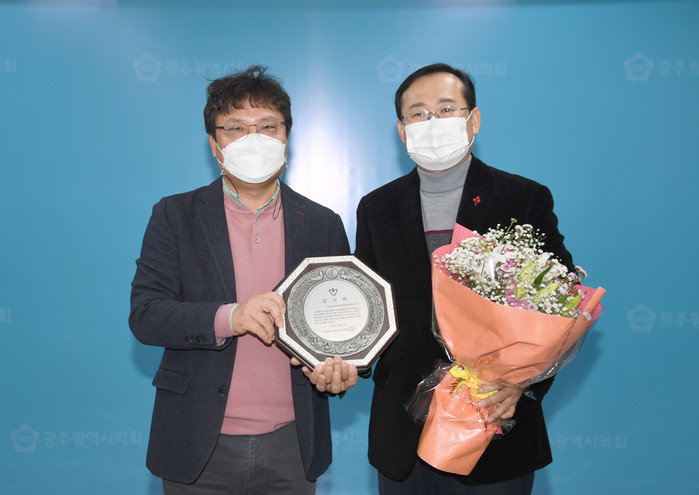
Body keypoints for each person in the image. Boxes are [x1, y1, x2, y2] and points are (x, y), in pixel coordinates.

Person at [129, 65, 358, 494]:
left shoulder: (322, 223)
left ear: (287, 137)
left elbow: (343, 326)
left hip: (293, 443)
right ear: (214, 144)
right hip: (198, 442)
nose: (254, 139)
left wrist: (339, 370)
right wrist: (231, 318)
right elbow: (146, 317)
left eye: (268, 126)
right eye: (236, 128)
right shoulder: (175, 216)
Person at [355, 63, 575, 494]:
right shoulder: (376, 207)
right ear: (402, 130)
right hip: (402, 434)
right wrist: (340, 358)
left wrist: (522, 383)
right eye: (418, 113)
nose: (432, 122)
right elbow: (365, 305)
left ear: (473, 119)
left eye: (446, 109)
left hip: (496, 423)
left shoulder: (522, 198)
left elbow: (562, 302)